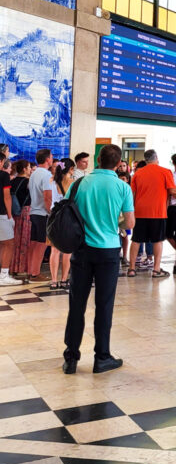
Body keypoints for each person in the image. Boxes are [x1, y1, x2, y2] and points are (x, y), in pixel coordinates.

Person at [62, 143, 135, 375]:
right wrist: (115, 224)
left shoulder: (79, 184)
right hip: (108, 251)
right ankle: (102, 357)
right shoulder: (122, 187)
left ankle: (71, 358)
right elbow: (130, 223)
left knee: (77, 304)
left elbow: (65, 211)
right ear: (118, 162)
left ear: (97, 159)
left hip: (82, 250)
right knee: (104, 306)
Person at [129, 150, 176, 279]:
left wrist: (132, 210)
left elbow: (132, 193)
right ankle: (156, 269)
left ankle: (131, 269)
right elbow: (172, 190)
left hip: (140, 212)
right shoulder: (165, 172)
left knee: (136, 240)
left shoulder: (137, 173)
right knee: (157, 241)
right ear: (157, 158)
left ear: (145, 159)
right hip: (158, 212)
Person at [28, 148, 53, 281]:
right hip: (42, 213)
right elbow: (47, 197)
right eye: (51, 156)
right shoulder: (46, 175)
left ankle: (31, 270)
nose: (52, 158)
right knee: (41, 243)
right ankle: (35, 273)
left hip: (34, 211)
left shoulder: (34, 173)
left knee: (34, 243)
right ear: (47, 159)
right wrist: (51, 212)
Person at [50, 158, 75, 289]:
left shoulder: (51, 181)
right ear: (70, 169)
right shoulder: (72, 183)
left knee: (54, 250)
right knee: (67, 250)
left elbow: (47, 200)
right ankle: (64, 279)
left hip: (53, 218)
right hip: (68, 218)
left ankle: (53, 281)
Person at [0, 154, 21, 286]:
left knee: (3, 244)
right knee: (9, 244)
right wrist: (9, 215)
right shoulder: (3, 175)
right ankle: (3, 275)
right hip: (1, 214)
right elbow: (7, 197)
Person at [10, 159, 31, 279]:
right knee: (24, 240)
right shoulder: (28, 182)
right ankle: (21, 267)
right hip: (25, 213)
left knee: (14, 240)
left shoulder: (12, 181)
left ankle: (12, 267)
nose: (29, 169)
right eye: (28, 167)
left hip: (13, 213)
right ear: (24, 169)